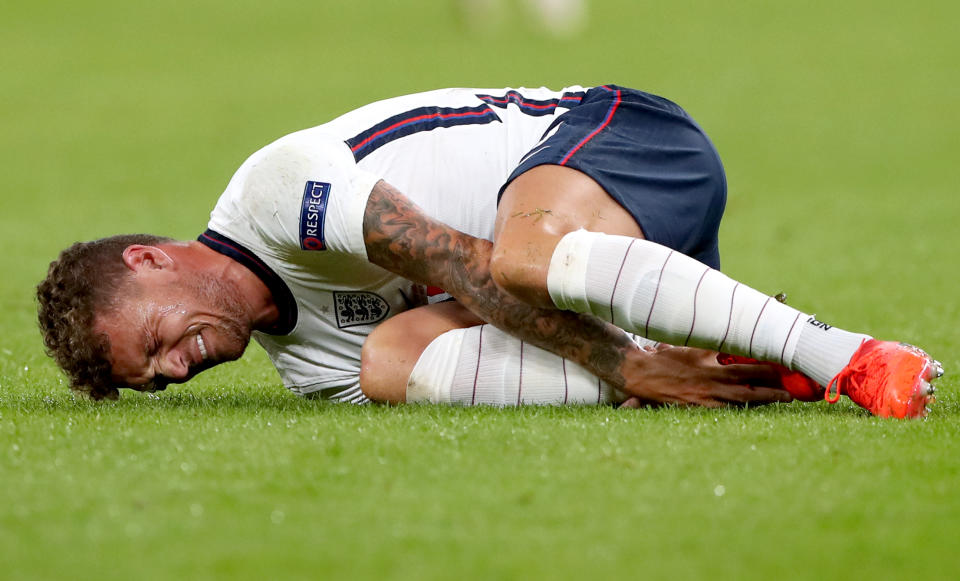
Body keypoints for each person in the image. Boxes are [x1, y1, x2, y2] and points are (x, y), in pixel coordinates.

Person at [36, 85, 942, 417]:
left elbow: (468, 262)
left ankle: (850, 355)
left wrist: (621, 369)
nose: (177, 367)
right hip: (614, 266)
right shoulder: (310, 370)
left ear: (151, 260)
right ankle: (747, 373)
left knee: (509, 259)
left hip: (623, 140)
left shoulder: (273, 193)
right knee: (391, 358)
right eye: (157, 378)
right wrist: (638, 366)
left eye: (153, 341)